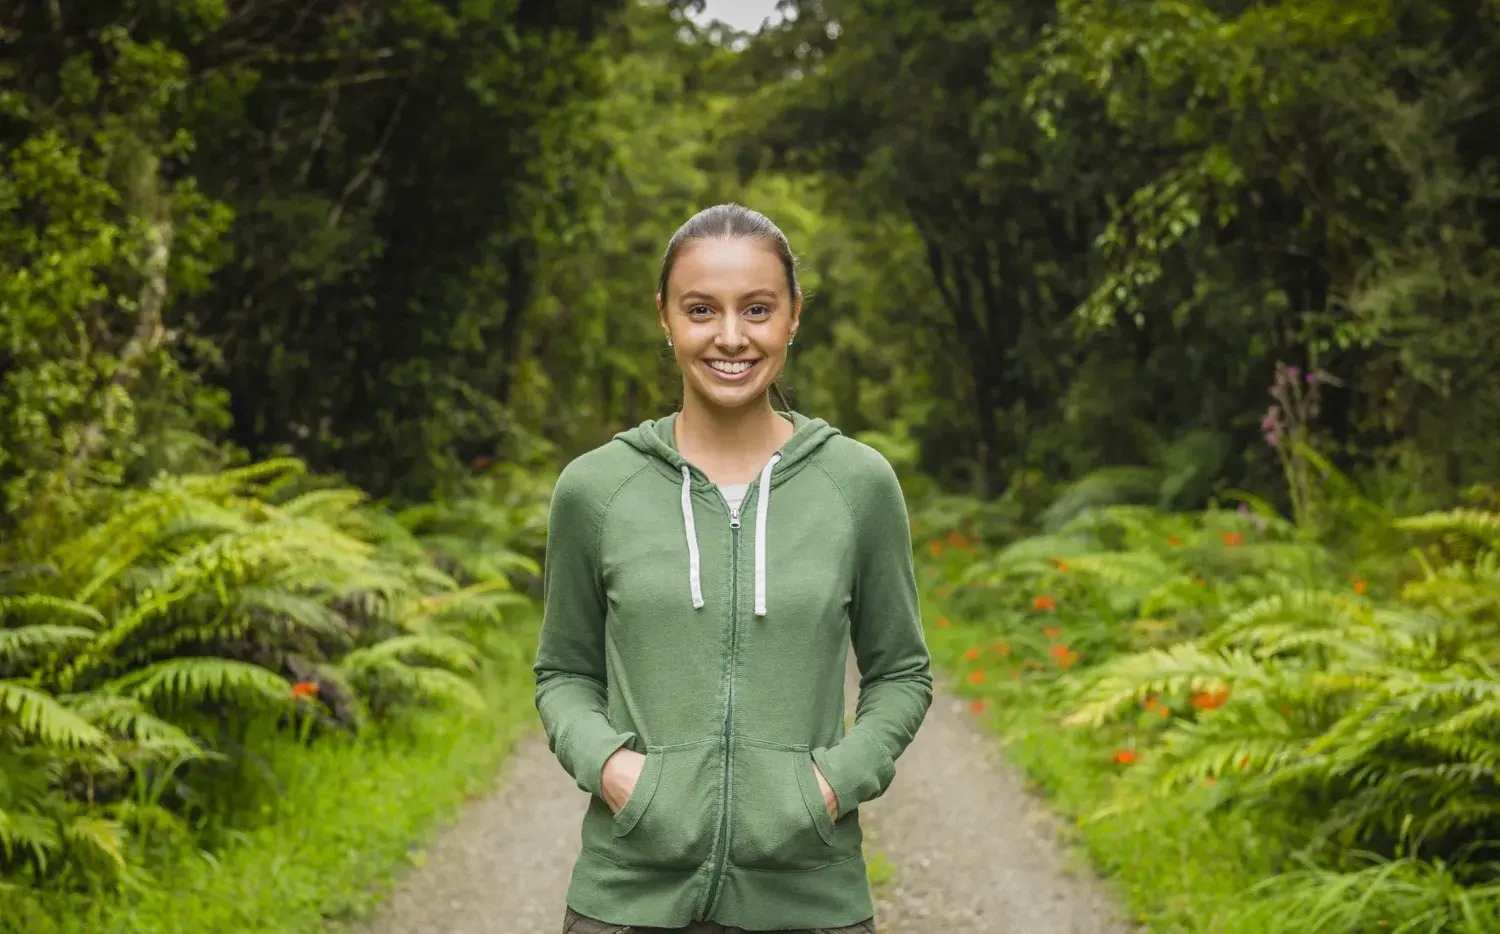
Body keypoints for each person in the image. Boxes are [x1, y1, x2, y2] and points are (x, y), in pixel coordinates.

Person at [534, 203, 932, 934]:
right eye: (700, 309)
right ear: (664, 317)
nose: (729, 336)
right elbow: (562, 673)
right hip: (627, 901)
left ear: (793, 316)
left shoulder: (858, 485)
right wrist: (620, 775)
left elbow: (902, 672)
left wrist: (828, 788)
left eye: (756, 309)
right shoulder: (596, 490)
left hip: (810, 902)